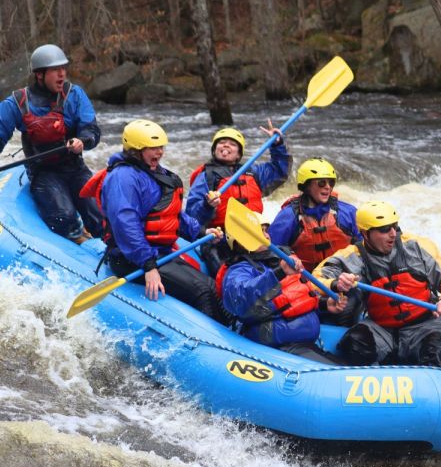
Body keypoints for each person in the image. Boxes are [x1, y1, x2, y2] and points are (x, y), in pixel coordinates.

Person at [96, 119, 229, 323]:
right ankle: (219, 342)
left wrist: (202, 233)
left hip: (159, 253)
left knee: (212, 286)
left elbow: (172, 215)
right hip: (132, 258)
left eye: (161, 147)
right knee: (203, 291)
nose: (159, 152)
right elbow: (126, 224)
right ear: (136, 150)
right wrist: (148, 266)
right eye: (153, 148)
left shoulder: (154, 173)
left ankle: (232, 328)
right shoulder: (123, 178)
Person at [312, 201, 441, 367]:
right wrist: (335, 284)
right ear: (365, 233)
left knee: (435, 351)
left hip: (425, 326)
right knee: (354, 344)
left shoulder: (417, 247)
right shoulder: (351, 257)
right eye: (384, 230)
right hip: (381, 329)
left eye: (394, 226)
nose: (392, 234)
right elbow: (315, 279)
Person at [0, 44, 102, 244]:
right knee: (64, 217)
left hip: (75, 169)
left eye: (63, 68)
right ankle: (77, 235)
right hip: (43, 173)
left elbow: (91, 128)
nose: (62, 74)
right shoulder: (18, 102)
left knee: (100, 216)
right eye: (56, 70)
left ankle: (102, 239)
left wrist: (83, 140)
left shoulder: (74, 95)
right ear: (39, 74)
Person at [219, 211, 345, 364]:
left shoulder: (277, 261)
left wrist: (324, 304)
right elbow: (241, 299)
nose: (266, 235)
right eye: (260, 231)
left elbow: (293, 301)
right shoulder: (239, 270)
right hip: (277, 347)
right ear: (241, 241)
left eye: (266, 230)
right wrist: (279, 272)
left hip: (302, 343)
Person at [185, 124, 291, 277]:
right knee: (226, 272)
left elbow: (280, 171)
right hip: (221, 240)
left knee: (282, 263)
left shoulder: (253, 172)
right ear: (214, 149)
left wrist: (278, 145)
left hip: (254, 235)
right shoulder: (206, 176)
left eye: (232, 144)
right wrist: (206, 206)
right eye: (221, 142)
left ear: (238, 154)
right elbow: (192, 216)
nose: (226, 145)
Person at [268, 157, 361, 273]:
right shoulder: (289, 216)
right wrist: (288, 255)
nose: (328, 187)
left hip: (344, 278)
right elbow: (270, 251)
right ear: (306, 186)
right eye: (322, 182)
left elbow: (365, 246)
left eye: (331, 182)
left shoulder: (347, 212)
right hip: (306, 282)